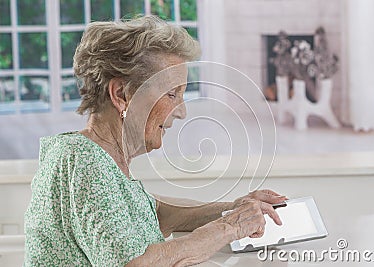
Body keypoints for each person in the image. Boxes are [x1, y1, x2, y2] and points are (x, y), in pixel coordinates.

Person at [24, 15, 287, 266]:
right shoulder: (84, 161)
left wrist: (234, 208)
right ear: (121, 94)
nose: (182, 111)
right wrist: (231, 226)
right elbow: (134, 264)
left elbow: (156, 213)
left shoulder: (101, 159)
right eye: (172, 94)